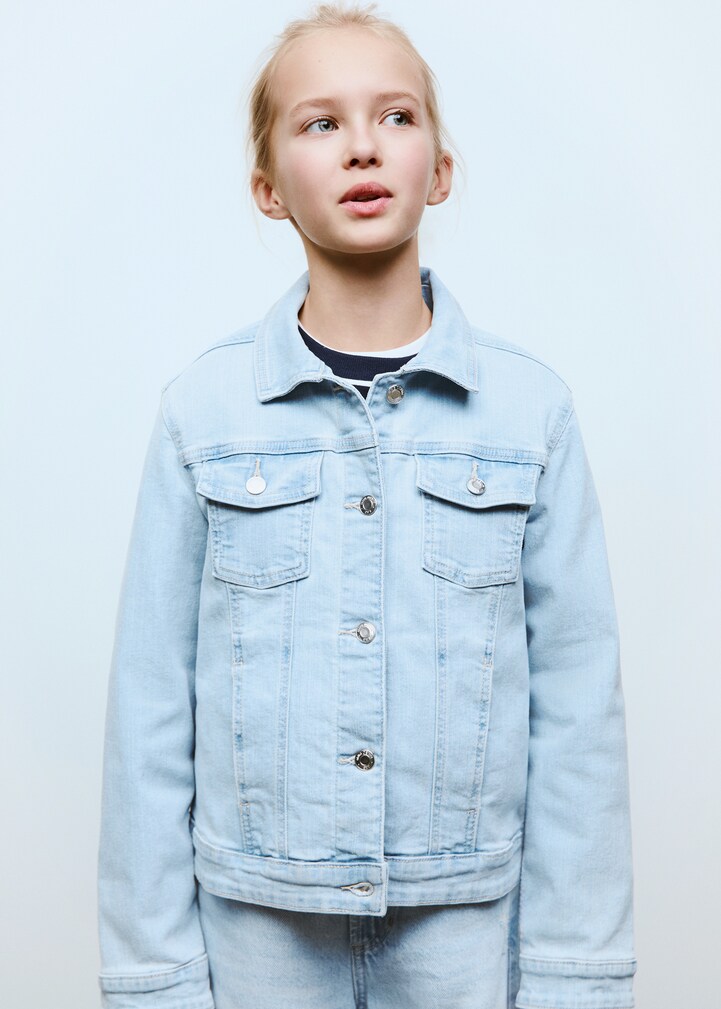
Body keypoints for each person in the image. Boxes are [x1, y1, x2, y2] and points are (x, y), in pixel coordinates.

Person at [96, 4, 638, 1008]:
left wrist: (576, 977)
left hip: (467, 932)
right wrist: (152, 980)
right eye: (320, 123)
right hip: (253, 933)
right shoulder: (202, 414)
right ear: (267, 187)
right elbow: (149, 710)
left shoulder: (530, 414)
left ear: (440, 170)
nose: (361, 146)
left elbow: (577, 718)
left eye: (395, 116)